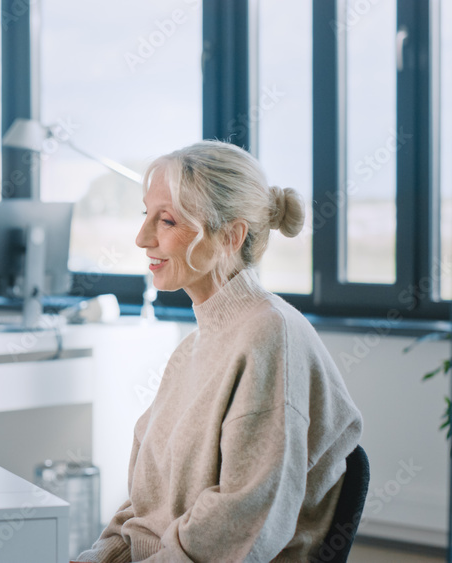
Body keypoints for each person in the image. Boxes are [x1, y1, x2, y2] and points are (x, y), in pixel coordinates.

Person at [75, 141, 362, 562]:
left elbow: (237, 525)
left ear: (230, 236)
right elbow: (145, 506)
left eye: (167, 220)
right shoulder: (195, 346)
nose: (142, 238)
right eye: (145, 215)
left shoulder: (270, 337)